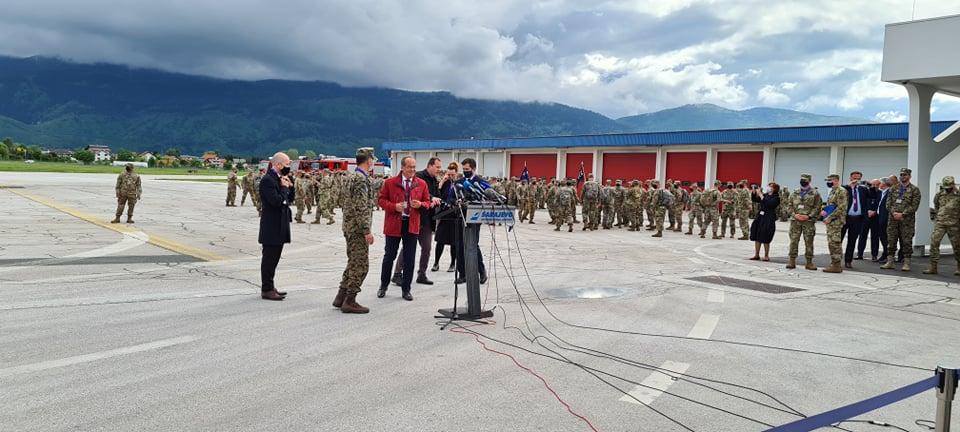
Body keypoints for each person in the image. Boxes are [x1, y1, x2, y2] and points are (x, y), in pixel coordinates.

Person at [378, 156, 433, 301]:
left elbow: (428, 202)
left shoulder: (421, 184)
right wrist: (393, 206)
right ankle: (383, 285)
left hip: (412, 224)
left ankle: (406, 289)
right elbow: (381, 200)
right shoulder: (390, 183)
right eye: (410, 167)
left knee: (409, 258)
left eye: (414, 167)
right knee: (389, 256)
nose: (413, 170)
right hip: (394, 224)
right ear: (402, 168)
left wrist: (420, 204)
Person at [334, 148, 377, 314]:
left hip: (350, 226)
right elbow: (360, 207)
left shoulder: (351, 176)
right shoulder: (360, 179)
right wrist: (367, 230)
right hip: (358, 229)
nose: (373, 162)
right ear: (369, 161)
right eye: (372, 159)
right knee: (361, 265)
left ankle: (340, 296)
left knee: (353, 262)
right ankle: (350, 300)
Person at [390, 157, 443, 286]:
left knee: (427, 248)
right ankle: (397, 274)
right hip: (415, 218)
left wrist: (435, 200)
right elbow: (416, 195)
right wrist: (430, 199)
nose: (439, 170)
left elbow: (436, 196)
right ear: (429, 166)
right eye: (437, 167)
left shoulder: (435, 180)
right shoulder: (418, 177)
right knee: (407, 247)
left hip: (427, 220)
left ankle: (422, 274)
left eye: (440, 167)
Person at [258, 152, 293, 301]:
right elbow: (277, 202)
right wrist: (284, 189)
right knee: (269, 259)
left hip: (280, 225)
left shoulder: (279, 178)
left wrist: (290, 186)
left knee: (275, 258)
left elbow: (290, 199)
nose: (288, 168)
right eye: (287, 165)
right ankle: (266, 288)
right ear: (278, 164)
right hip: (271, 226)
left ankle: (271, 286)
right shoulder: (268, 180)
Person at [454, 158, 488, 284]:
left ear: (473, 169)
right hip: (460, 216)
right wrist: (454, 201)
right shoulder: (459, 182)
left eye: (467, 169)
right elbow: (450, 196)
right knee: (460, 246)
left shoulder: (481, 182)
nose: (465, 172)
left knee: (473, 245)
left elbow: (486, 196)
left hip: (474, 217)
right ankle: (463, 274)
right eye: (463, 170)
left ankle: (481, 271)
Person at [881, 168, 921, 272]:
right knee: (891, 240)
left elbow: (914, 206)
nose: (902, 176)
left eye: (905, 175)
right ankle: (890, 261)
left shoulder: (914, 189)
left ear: (909, 176)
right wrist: (894, 212)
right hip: (893, 219)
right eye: (901, 175)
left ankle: (906, 263)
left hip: (906, 221)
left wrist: (902, 214)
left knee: (907, 241)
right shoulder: (893, 188)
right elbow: (888, 203)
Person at [923, 176, 960, 275]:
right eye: (946, 187)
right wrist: (937, 218)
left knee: (957, 246)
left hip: (954, 224)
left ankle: (959, 267)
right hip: (940, 223)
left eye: (949, 187)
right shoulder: (939, 195)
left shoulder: (958, 195)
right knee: (934, 243)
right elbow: (936, 207)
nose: (947, 189)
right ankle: (933, 267)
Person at [786, 174, 822, 270]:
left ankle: (809, 262)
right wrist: (794, 215)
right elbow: (789, 206)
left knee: (809, 242)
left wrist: (808, 216)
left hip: (808, 221)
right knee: (793, 241)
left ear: (809, 181)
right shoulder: (794, 193)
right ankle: (792, 260)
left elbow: (817, 207)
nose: (803, 181)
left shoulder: (815, 193)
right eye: (801, 180)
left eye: (805, 180)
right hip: (795, 221)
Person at [433, 162, 460, 273]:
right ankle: (436, 262)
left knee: (454, 242)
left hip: (455, 215)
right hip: (444, 215)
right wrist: (442, 182)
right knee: (440, 240)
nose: (450, 176)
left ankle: (453, 263)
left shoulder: (459, 184)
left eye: (452, 175)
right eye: (449, 174)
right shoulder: (445, 183)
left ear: (456, 174)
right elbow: (437, 194)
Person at [841, 171, 870, 268]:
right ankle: (835, 259)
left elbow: (873, 195)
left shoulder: (862, 189)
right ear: (850, 178)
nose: (856, 180)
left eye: (858, 178)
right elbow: (839, 191)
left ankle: (848, 260)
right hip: (845, 218)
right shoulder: (845, 188)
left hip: (857, 219)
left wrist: (871, 186)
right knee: (838, 239)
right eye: (854, 178)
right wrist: (850, 186)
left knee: (852, 240)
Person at [821, 175, 849, 273]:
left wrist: (830, 217)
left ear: (836, 180)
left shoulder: (841, 191)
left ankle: (836, 265)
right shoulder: (833, 191)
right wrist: (824, 212)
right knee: (832, 242)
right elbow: (832, 205)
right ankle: (834, 263)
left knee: (834, 242)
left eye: (830, 180)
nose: (828, 182)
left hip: (836, 221)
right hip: (831, 220)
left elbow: (841, 207)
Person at [749, 182, 781, 261]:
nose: (769, 187)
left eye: (771, 186)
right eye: (769, 186)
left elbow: (769, 203)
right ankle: (756, 254)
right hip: (760, 216)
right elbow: (755, 199)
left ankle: (766, 255)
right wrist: (754, 191)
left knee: (765, 236)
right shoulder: (766, 195)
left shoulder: (776, 197)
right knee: (757, 235)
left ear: (775, 189)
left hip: (768, 217)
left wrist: (760, 195)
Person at [871, 176, 893, 262]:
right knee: (882, 238)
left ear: (884, 184)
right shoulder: (882, 192)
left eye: (880, 183)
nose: (879, 185)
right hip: (880, 218)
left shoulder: (890, 192)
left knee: (886, 238)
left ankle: (888, 256)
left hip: (885, 219)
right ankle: (885, 254)